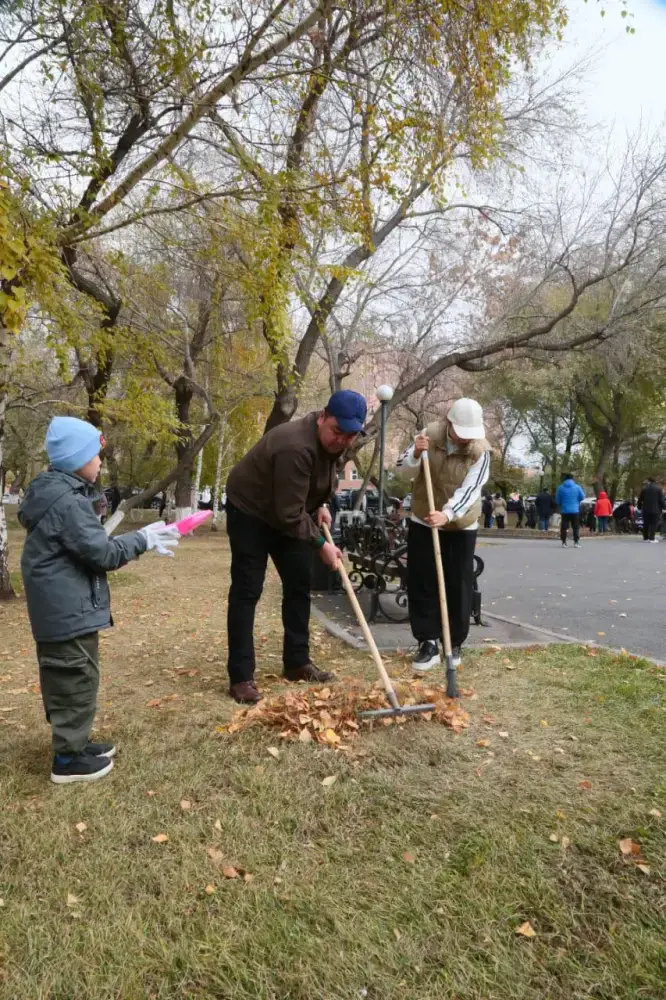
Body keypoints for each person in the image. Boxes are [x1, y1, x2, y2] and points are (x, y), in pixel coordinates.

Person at [18, 416, 180, 784]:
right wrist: (142, 540)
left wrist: (140, 537)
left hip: (69, 610)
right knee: (72, 678)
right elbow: (102, 553)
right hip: (65, 612)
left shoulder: (63, 494)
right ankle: (67, 760)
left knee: (80, 676)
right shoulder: (66, 503)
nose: (101, 461)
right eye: (96, 454)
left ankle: (75, 743)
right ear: (77, 458)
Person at [224, 390, 367, 704]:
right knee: (248, 590)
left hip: (287, 511)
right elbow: (289, 514)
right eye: (337, 431)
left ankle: (297, 663)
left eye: (350, 435)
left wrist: (320, 503)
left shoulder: (335, 442)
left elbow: (315, 482)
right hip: (251, 511)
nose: (342, 440)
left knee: (299, 584)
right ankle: (241, 677)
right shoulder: (295, 446)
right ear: (322, 417)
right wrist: (320, 545)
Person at [396, 398, 491, 672]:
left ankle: (455, 640)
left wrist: (448, 514)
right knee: (422, 580)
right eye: (461, 433)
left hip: (461, 522)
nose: (465, 440)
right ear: (449, 424)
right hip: (424, 517)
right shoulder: (427, 435)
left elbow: (471, 490)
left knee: (458, 582)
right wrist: (415, 453)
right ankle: (427, 642)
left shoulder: (481, 451)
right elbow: (403, 471)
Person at [555, 472, 585, 548]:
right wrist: (576, 501)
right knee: (575, 527)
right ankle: (576, 542)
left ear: (565, 479)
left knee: (564, 527)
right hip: (575, 510)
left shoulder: (560, 488)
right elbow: (582, 497)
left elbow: (557, 500)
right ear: (572, 479)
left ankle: (564, 542)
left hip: (565, 510)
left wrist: (562, 503)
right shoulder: (577, 487)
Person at [637, 477, 664, 543]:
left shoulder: (644, 489)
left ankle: (645, 538)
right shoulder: (659, 489)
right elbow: (661, 500)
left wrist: (639, 507)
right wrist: (664, 507)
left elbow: (640, 499)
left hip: (646, 509)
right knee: (653, 524)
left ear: (649, 481)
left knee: (646, 524)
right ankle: (652, 538)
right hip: (656, 510)